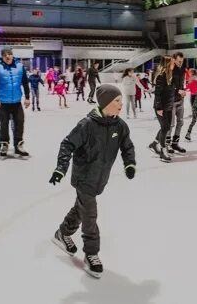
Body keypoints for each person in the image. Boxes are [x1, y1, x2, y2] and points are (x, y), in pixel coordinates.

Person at [49, 84, 136, 279]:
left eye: (121, 101)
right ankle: (91, 253)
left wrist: (130, 163)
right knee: (90, 214)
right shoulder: (87, 125)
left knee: (81, 208)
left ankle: (63, 233)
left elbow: (127, 146)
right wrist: (60, 168)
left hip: (99, 179)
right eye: (117, 101)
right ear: (106, 103)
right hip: (84, 177)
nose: (121, 104)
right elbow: (67, 144)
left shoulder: (119, 125)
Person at [0, 46, 31, 157]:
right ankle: (4, 144)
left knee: (20, 123)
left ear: (12, 55)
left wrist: (27, 97)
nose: (7, 56)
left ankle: (18, 145)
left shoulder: (20, 67)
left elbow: (25, 82)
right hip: (3, 103)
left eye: (9, 54)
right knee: (4, 124)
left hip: (17, 102)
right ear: (2, 57)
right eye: (4, 55)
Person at [148, 56, 175, 163]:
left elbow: (170, 91)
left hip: (168, 105)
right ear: (168, 63)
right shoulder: (161, 75)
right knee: (165, 128)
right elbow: (158, 93)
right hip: (161, 106)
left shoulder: (169, 75)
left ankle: (154, 143)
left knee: (167, 127)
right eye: (172, 62)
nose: (173, 64)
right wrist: (159, 107)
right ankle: (163, 152)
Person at [166, 52, 187, 154]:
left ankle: (175, 143)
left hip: (180, 100)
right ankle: (167, 145)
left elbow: (181, 83)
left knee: (180, 122)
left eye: (182, 61)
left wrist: (183, 90)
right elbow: (167, 86)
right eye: (179, 61)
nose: (180, 63)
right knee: (170, 124)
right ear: (173, 59)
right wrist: (178, 90)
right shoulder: (169, 70)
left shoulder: (182, 69)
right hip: (171, 100)